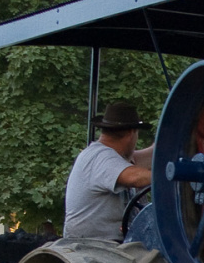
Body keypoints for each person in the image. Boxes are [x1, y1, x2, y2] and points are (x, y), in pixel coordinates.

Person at [63, 102, 152, 241]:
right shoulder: (100, 156)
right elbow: (135, 177)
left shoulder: (114, 158)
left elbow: (152, 157)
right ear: (131, 133)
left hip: (112, 245)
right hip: (93, 247)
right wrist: (173, 175)